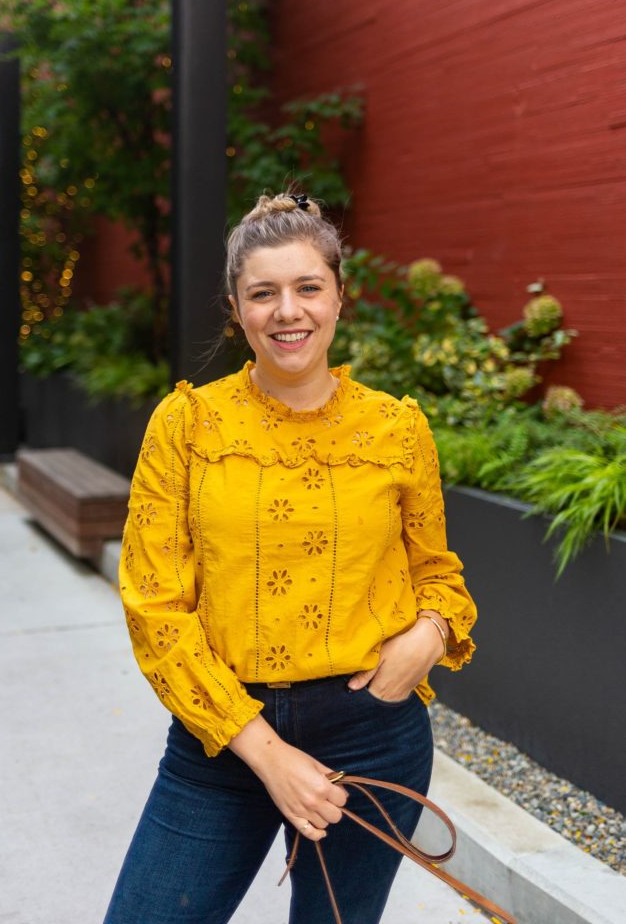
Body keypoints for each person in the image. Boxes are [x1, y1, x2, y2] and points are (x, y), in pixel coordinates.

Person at [103, 192, 477, 924]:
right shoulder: (187, 424)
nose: (287, 311)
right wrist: (268, 754)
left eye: (308, 287)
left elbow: (439, 572)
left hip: (371, 733)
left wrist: (427, 638)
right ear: (236, 306)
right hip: (223, 737)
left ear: (339, 295)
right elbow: (153, 605)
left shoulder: (397, 428)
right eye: (263, 293)